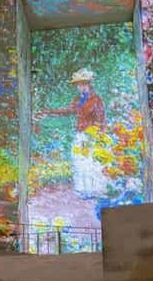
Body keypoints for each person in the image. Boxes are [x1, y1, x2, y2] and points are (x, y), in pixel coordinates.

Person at [38, 68, 108, 198]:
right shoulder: (78, 99)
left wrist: (99, 135)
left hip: (93, 135)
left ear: (88, 84)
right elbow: (68, 110)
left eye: (82, 84)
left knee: (92, 162)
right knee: (79, 160)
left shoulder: (96, 99)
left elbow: (101, 118)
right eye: (78, 85)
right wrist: (49, 112)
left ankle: (96, 190)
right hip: (81, 133)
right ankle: (83, 190)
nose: (79, 87)